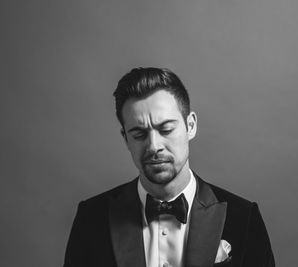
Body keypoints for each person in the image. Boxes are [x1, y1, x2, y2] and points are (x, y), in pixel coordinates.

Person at [63, 67, 275, 267]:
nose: (154, 146)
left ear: (190, 126)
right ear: (126, 139)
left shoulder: (244, 218)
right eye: (139, 135)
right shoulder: (91, 218)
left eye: (166, 130)